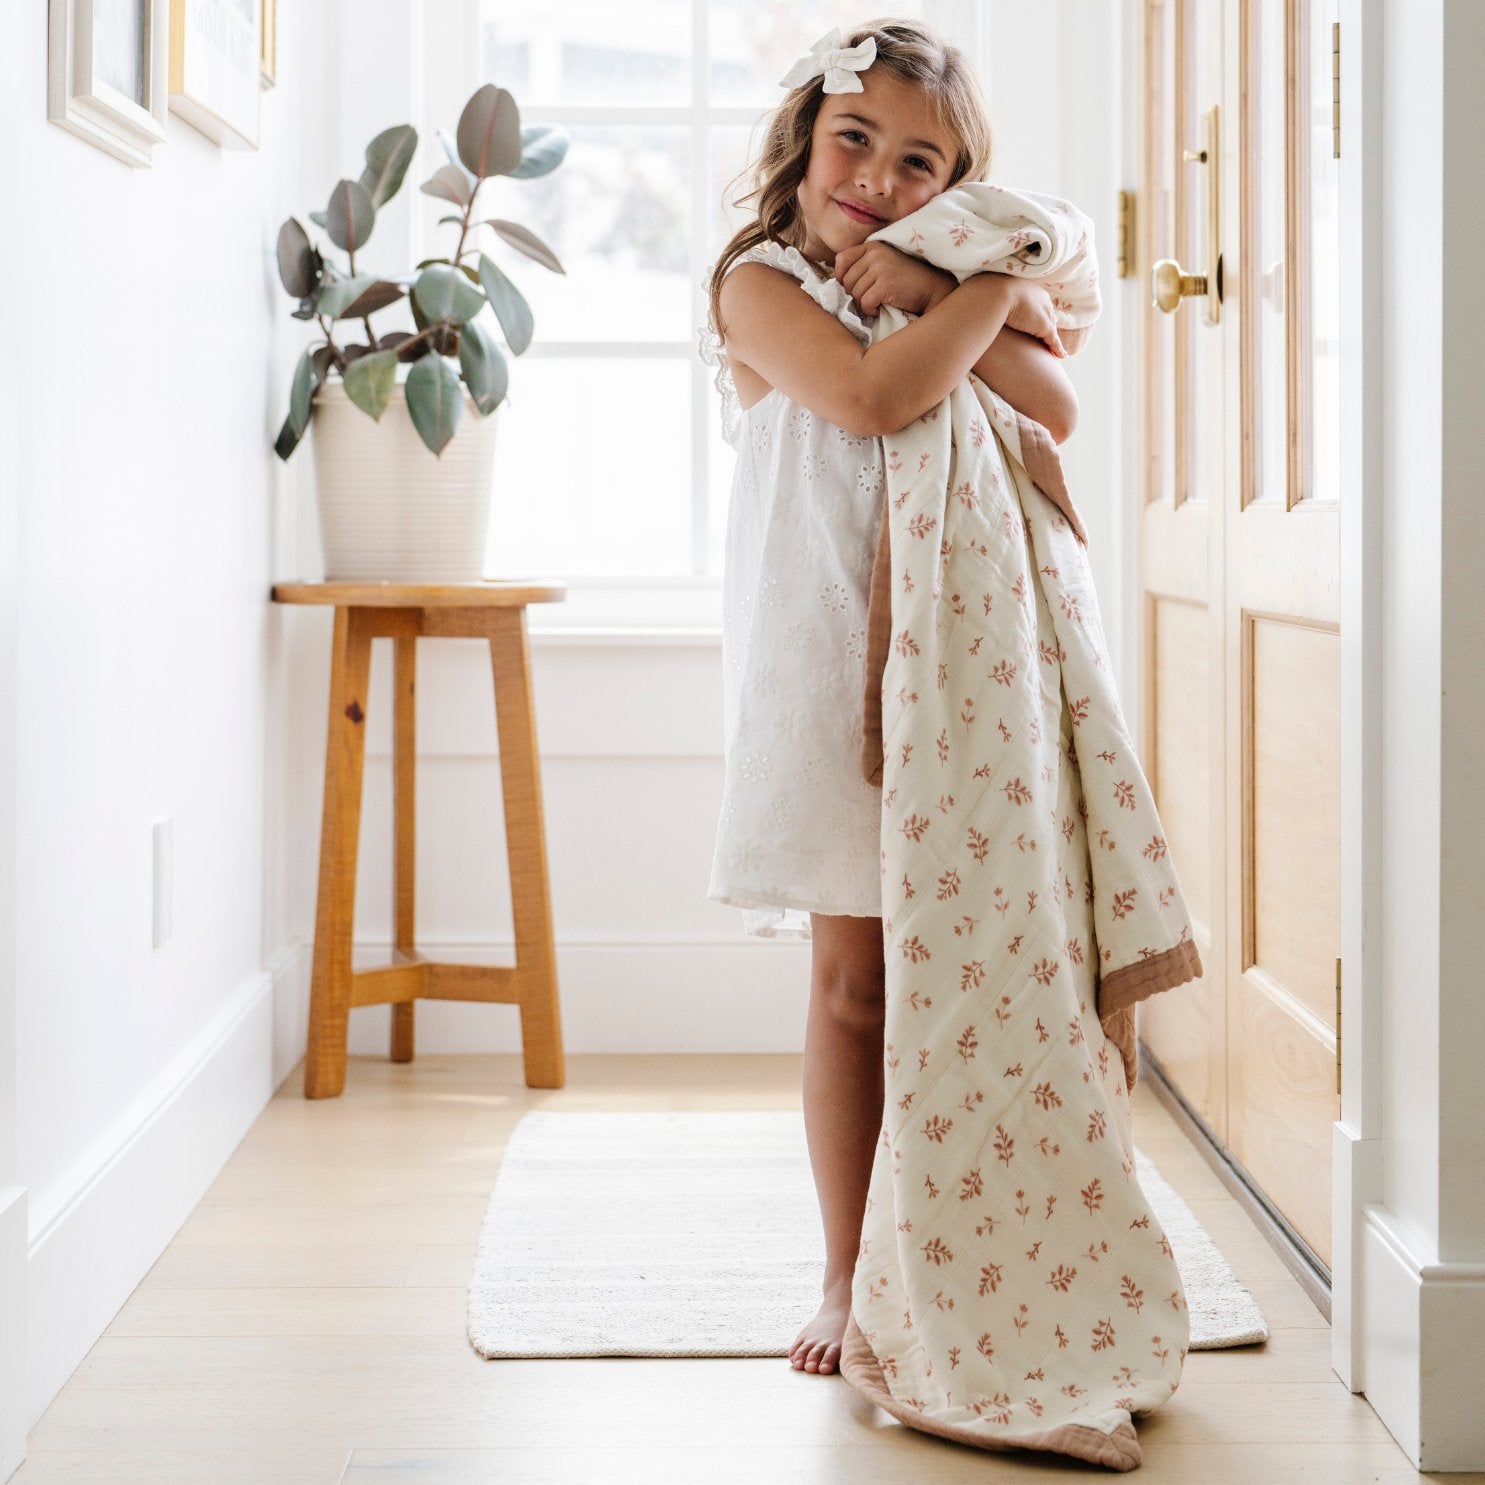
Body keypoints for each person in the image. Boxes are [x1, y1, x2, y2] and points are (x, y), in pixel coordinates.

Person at [698, 18, 1082, 1379]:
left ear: (951, 183)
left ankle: (969, 1248)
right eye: (852, 137)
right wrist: (970, 292)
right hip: (825, 671)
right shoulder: (757, 285)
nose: (874, 173)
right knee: (854, 979)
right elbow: (869, 400)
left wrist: (945, 278)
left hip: (958, 675)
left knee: (972, 978)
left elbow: (1052, 401)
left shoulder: (931, 275)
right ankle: (839, 1269)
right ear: (801, 141)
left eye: (920, 162)